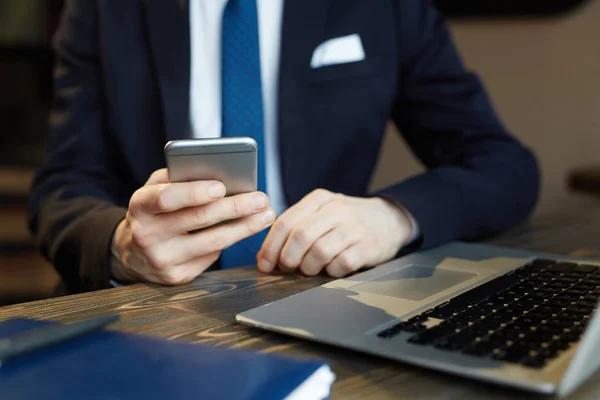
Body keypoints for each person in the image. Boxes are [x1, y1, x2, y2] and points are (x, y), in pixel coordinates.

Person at [29, 0, 540, 294]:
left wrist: (394, 216)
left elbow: (503, 165)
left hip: (326, 301)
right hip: (145, 312)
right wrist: (121, 249)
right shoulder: (100, 8)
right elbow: (62, 186)